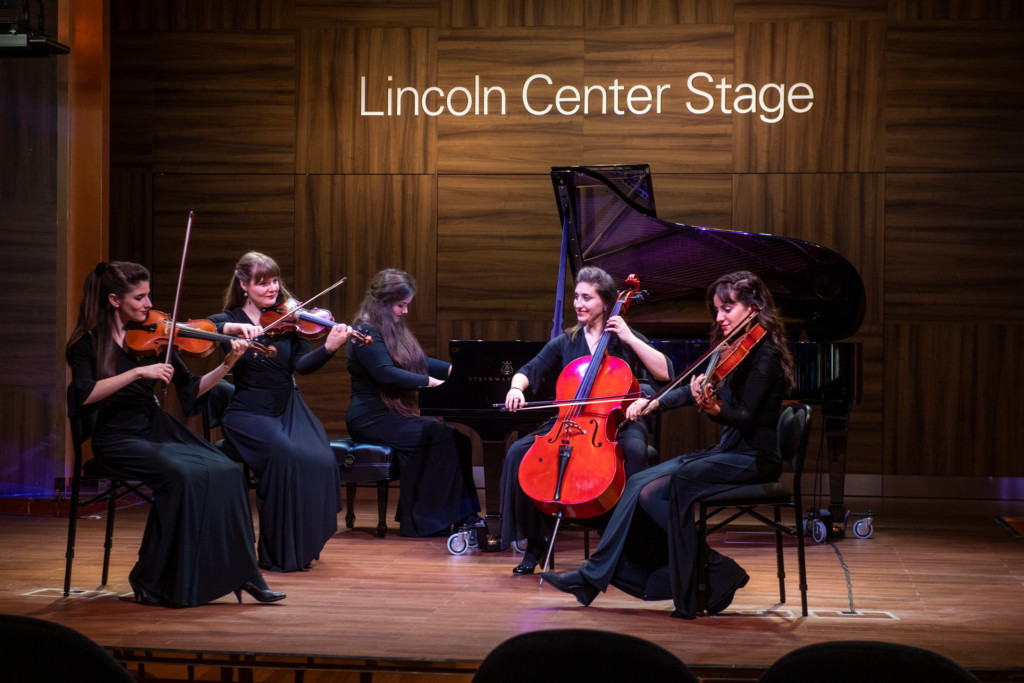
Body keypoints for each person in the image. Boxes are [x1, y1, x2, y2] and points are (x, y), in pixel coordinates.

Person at [539, 270, 795, 619]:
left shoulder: (762, 355)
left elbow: (745, 416)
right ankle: (592, 576)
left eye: (727, 309)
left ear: (753, 308)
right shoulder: (736, 347)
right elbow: (693, 389)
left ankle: (714, 572)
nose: (719, 317)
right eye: (717, 309)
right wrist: (653, 403)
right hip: (728, 451)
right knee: (639, 482)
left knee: (658, 492)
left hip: (753, 458)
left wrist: (714, 407)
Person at [65, 261, 284, 607]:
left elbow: (191, 390)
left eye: (148, 294)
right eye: (139, 297)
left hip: (156, 428)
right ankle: (151, 579)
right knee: (184, 477)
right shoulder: (87, 344)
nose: (148, 304)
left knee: (226, 470)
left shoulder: (158, 335)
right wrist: (137, 374)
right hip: (117, 438)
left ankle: (245, 575)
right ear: (113, 300)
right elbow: (82, 395)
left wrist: (227, 364)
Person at [500, 266, 672, 575]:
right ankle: (535, 542)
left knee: (632, 454)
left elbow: (665, 372)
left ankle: (626, 540)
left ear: (606, 302)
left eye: (587, 298)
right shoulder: (566, 341)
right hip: (570, 421)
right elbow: (530, 369)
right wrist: (516, 387)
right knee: (517, 455)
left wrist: (631, 338)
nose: (579, 304)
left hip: (620, 423)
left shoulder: (623, 337)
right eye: (576, 297)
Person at [207, 251, 347, 572]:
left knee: (321, 459)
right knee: (286, 456)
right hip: (248, 413)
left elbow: (301, 366)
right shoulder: (229, 319)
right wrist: (233, 328)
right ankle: (276, 552)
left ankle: (301, 543)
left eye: (274, 280)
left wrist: (328, 348)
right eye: (262, 283)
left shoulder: (290, 319)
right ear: (243, 284)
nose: (272, 288)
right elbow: (203, 328)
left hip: (288, 407)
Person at [345, 268, 481, 537]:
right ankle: (428, 520)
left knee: (459, 440)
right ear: (382, 303)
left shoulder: (387, 328)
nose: (404, 311)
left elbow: (418, 362)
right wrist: (433, 383)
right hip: (370, 417)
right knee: (440, 438)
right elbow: (386, 372)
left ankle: (464, 515)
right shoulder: (364, 332)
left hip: (388, 414)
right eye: (401, 305)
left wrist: (455, 371)